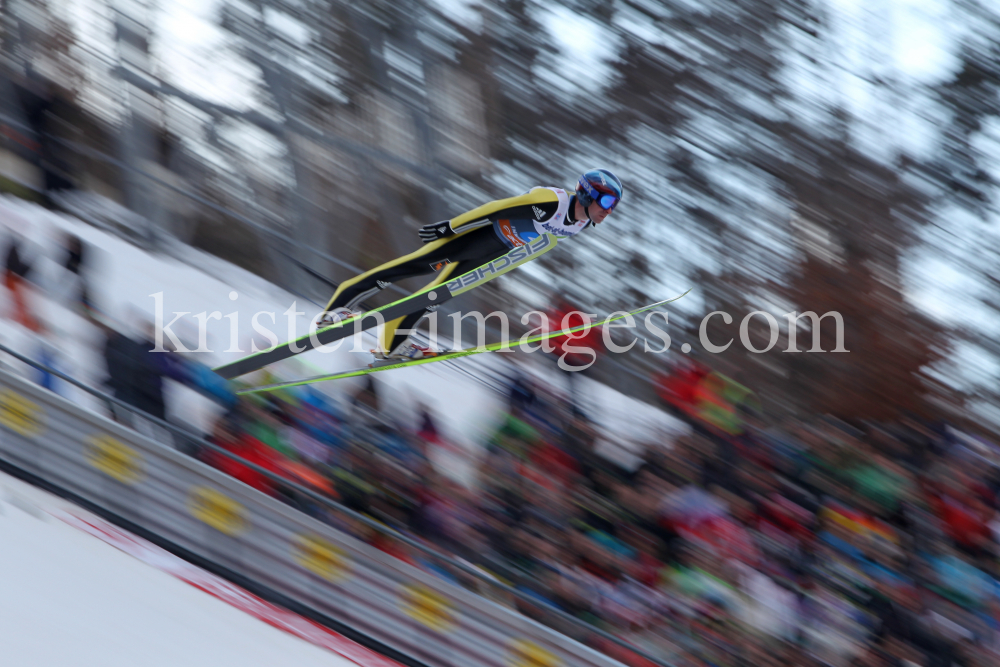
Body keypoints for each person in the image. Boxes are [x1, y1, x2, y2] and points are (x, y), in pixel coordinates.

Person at [317, 169, 624, 361]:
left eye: (613, 206)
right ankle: (339, 305)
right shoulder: (552, 202)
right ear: (586, 193)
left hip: (495, 250)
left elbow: (535, 244)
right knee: (416, 266)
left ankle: (392, 343)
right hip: (478, 235)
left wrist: (500, 265)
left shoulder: (579, 224)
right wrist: (451, 227)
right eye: (606, 202)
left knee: (436, 296)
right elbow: (497, 209)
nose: (608, 212)